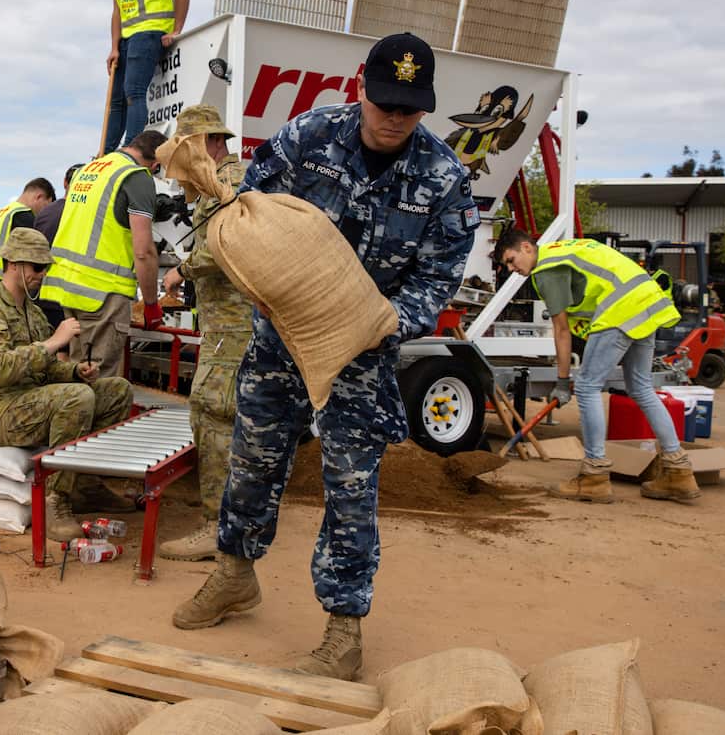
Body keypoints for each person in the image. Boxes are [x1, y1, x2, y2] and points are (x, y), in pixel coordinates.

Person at [171, 33, 479, 682]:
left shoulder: (446, 180)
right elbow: (250, 207)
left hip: (363, 357)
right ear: (361, 88)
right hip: (280, 340)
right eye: (385, 101)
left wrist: (389, 318)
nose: (394, 116)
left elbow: (437, 278)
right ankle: (234, 574)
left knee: (350, 490)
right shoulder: (308, 138)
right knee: (251, 463)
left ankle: (344, 632)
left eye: (410, 106)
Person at [495, 231, 697, 505]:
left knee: (588, 386)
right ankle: (678, 471)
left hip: (620, 308)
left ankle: (594, 476)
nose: (512, 270)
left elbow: (561, 330)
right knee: (641, 387)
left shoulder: (546, 269)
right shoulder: (562, 250)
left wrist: (563, 381)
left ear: (527, 247)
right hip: (645, 301)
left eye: (511, 260)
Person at [0, 228, 136, 539]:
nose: (42, 275)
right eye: (37, 268)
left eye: (46, 268)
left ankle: (85, 483)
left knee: (117, 391)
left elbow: (47, 369)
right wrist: (54, 342)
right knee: (77, 399)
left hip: (31, 401)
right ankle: (56, 500)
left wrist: (74, 372)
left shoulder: (34, 313)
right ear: (14, 264)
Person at [158, 105, 253, 561]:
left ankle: (217, 529)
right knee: (229, 419)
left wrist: (182, 270)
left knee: (212, 413)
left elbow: (223, 244)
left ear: (207, 144)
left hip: (233, 329)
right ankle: (233, 524)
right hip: (231, 326)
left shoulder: (227, 184)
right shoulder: (230, 180)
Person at [41, 130, 167, 378]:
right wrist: (151, 304)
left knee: (78, 372)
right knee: (98, 379)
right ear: (156, 163)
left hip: (70, 290)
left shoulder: (90, 169)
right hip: (103, 294)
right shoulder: (136, 176)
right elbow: (143, 251)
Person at [101, 0, 190, 154]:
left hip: (149, 34)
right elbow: (117, 13)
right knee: (116, 101)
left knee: (133, 93)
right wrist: (114, 47)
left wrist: (177, 30)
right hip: (127, 40)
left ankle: (131, 150)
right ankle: (105, 153)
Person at [34, 165, 83, 332]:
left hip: (43, 291)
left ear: (64, 183)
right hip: (67, 294)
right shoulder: (80, 213)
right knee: (65, 350)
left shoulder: (46, 212)